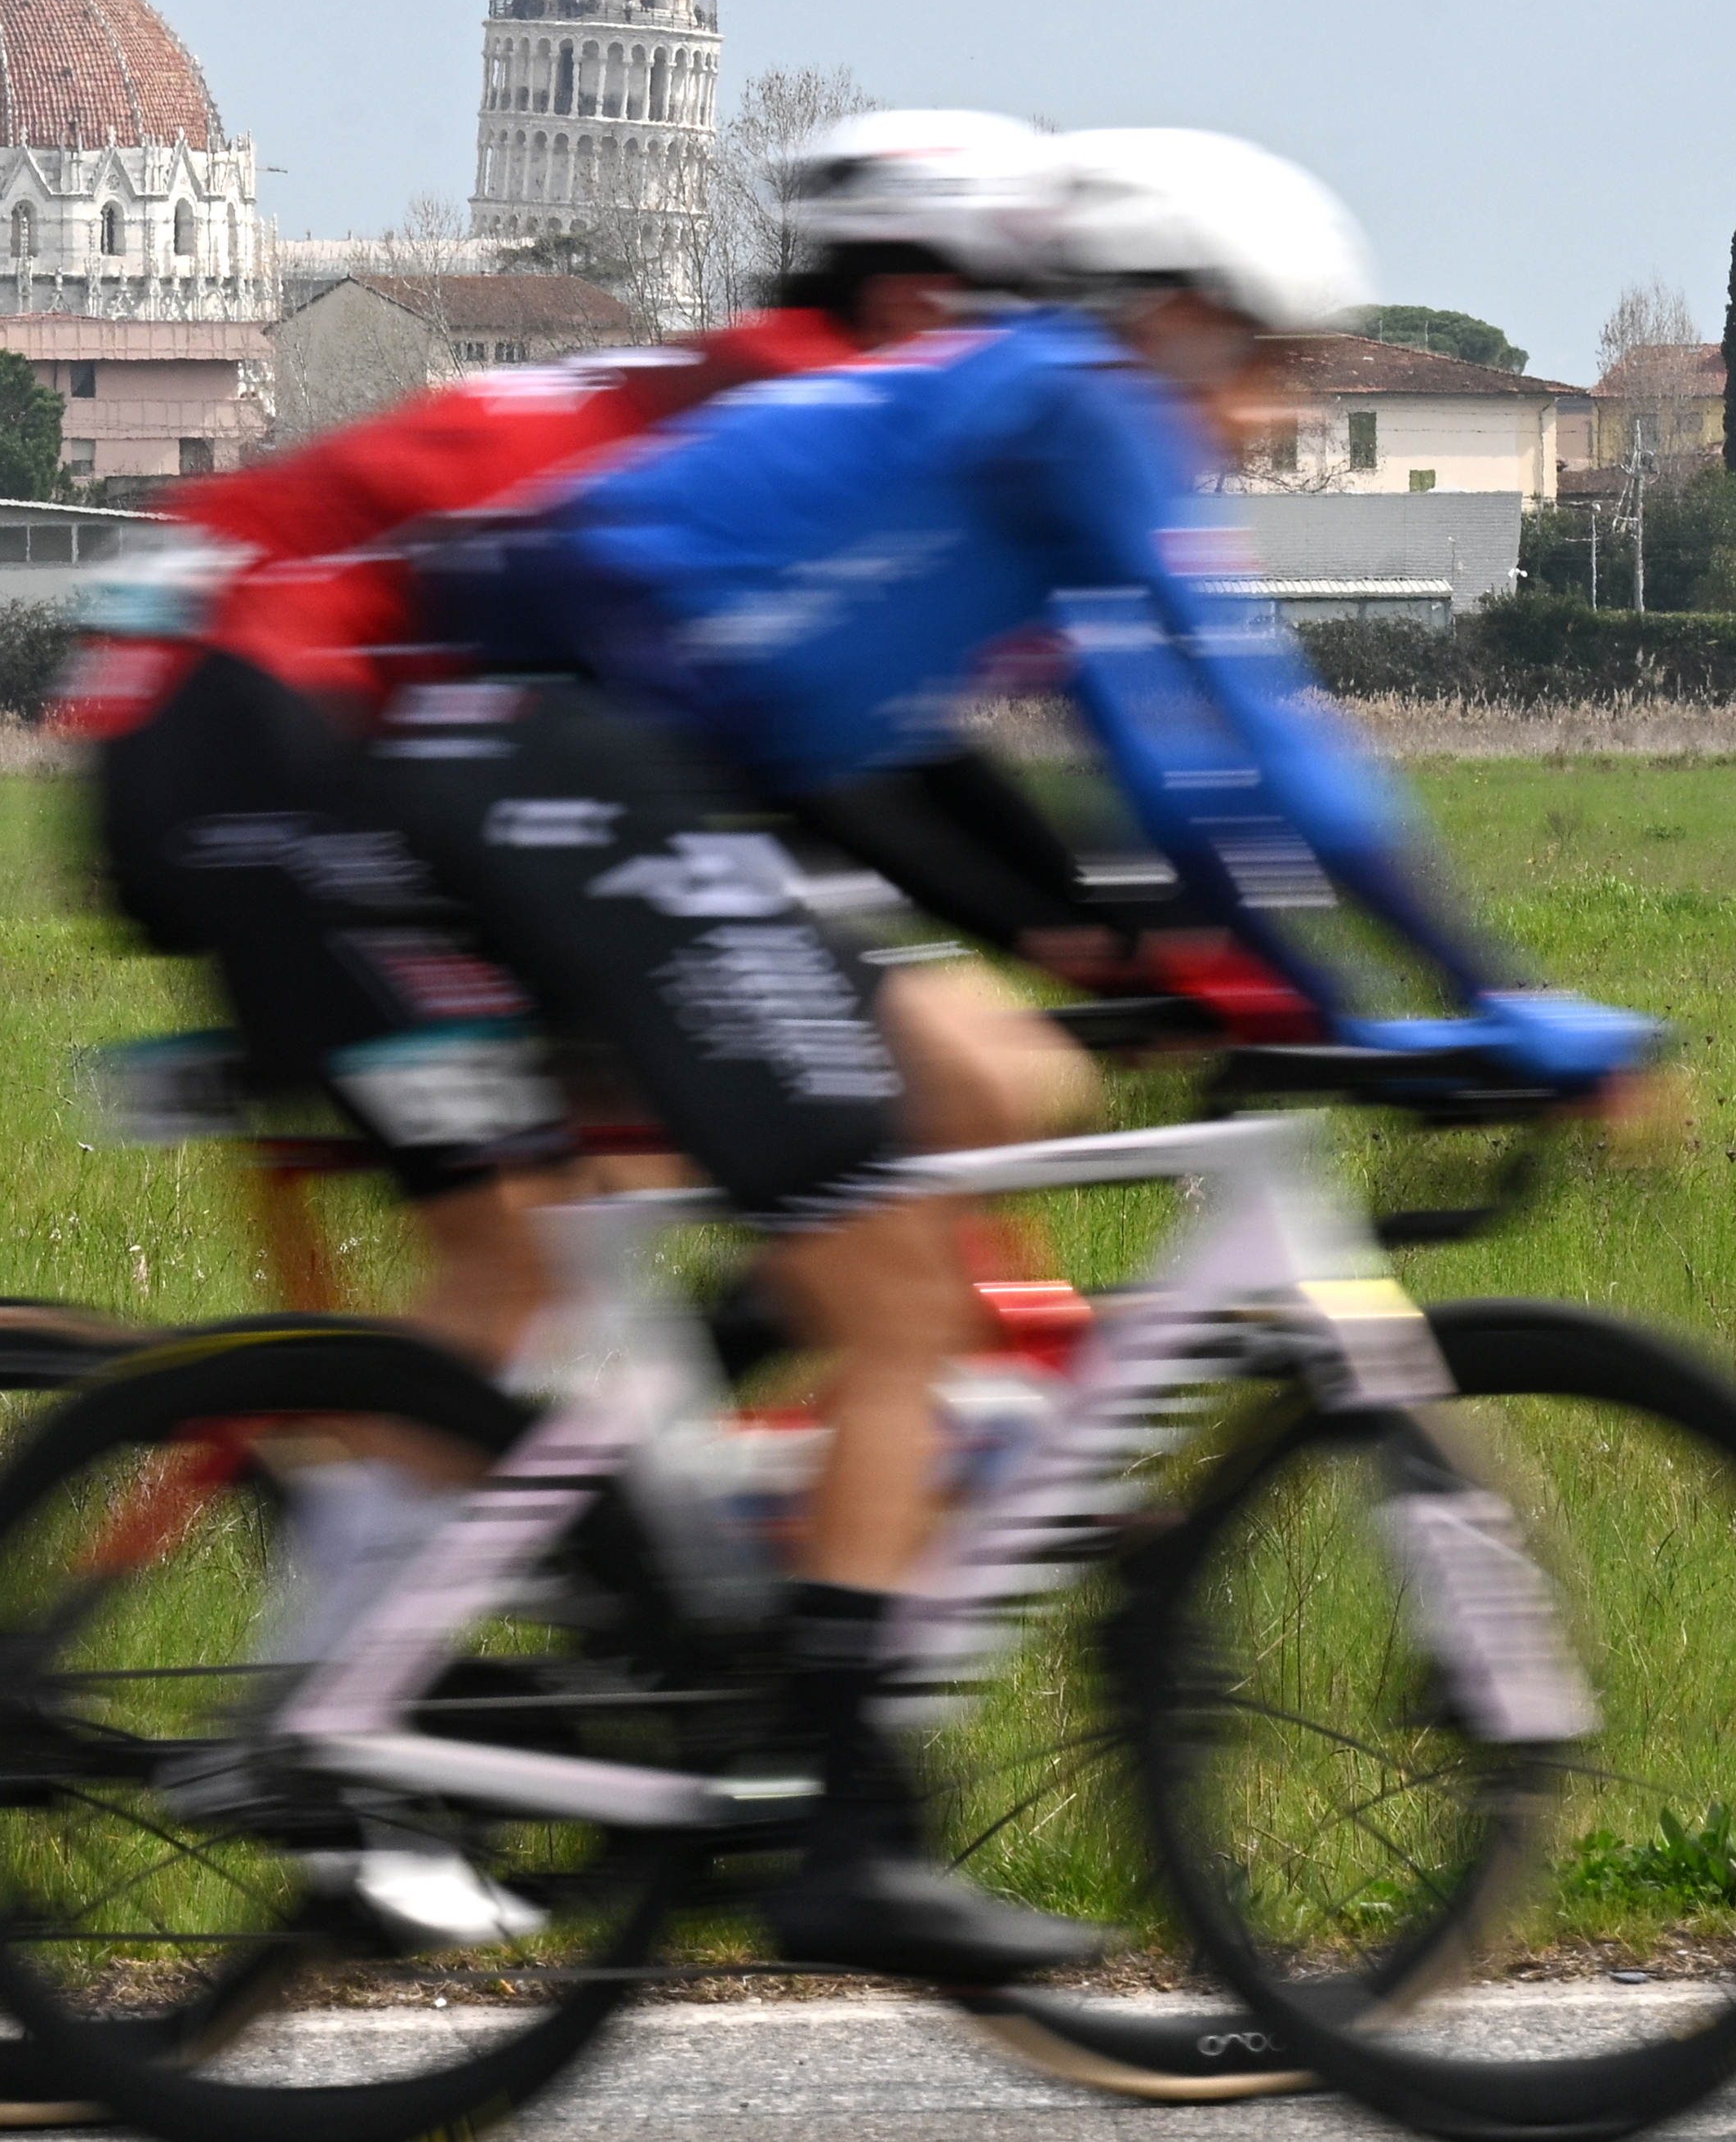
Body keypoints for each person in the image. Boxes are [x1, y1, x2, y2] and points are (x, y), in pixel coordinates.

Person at [382, 124, 1658, 1980]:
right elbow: (1254, 734)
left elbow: (1156, 774)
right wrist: (1477, 985)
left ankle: (690, 1570)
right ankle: (833, 1829)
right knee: (897, 1286)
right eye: (1270, 365)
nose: (1283, 418)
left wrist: (1273, 982)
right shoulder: (1074, 408)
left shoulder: (1041, 421)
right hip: (572, 749)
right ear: (1167, 320)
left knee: (949, 1110)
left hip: (692, 757)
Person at [62, 116, 1106, 1386]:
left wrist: (1095, 922)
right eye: (1041, 335)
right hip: (252, 739)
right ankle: (385, 1552)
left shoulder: (824, 409)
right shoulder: (808, 423)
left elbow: (880, 744)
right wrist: (1083, 928)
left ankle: (663, 1457)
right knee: (514, 1263)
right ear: (917, 302)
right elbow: (833, 768)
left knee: (947, 1081)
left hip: (398, 751)